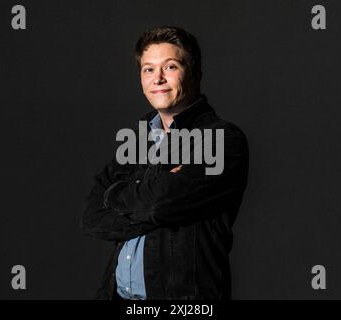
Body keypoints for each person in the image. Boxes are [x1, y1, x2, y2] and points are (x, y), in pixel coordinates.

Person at [81, 26, 248, 300]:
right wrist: (154, 197)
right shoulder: (136, 140)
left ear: (195, 74)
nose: (157, 78)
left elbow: (159, 204)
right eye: (148, 69)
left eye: (170, 67)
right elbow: (91, 217)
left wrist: (119, 196)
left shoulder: (221, 139)